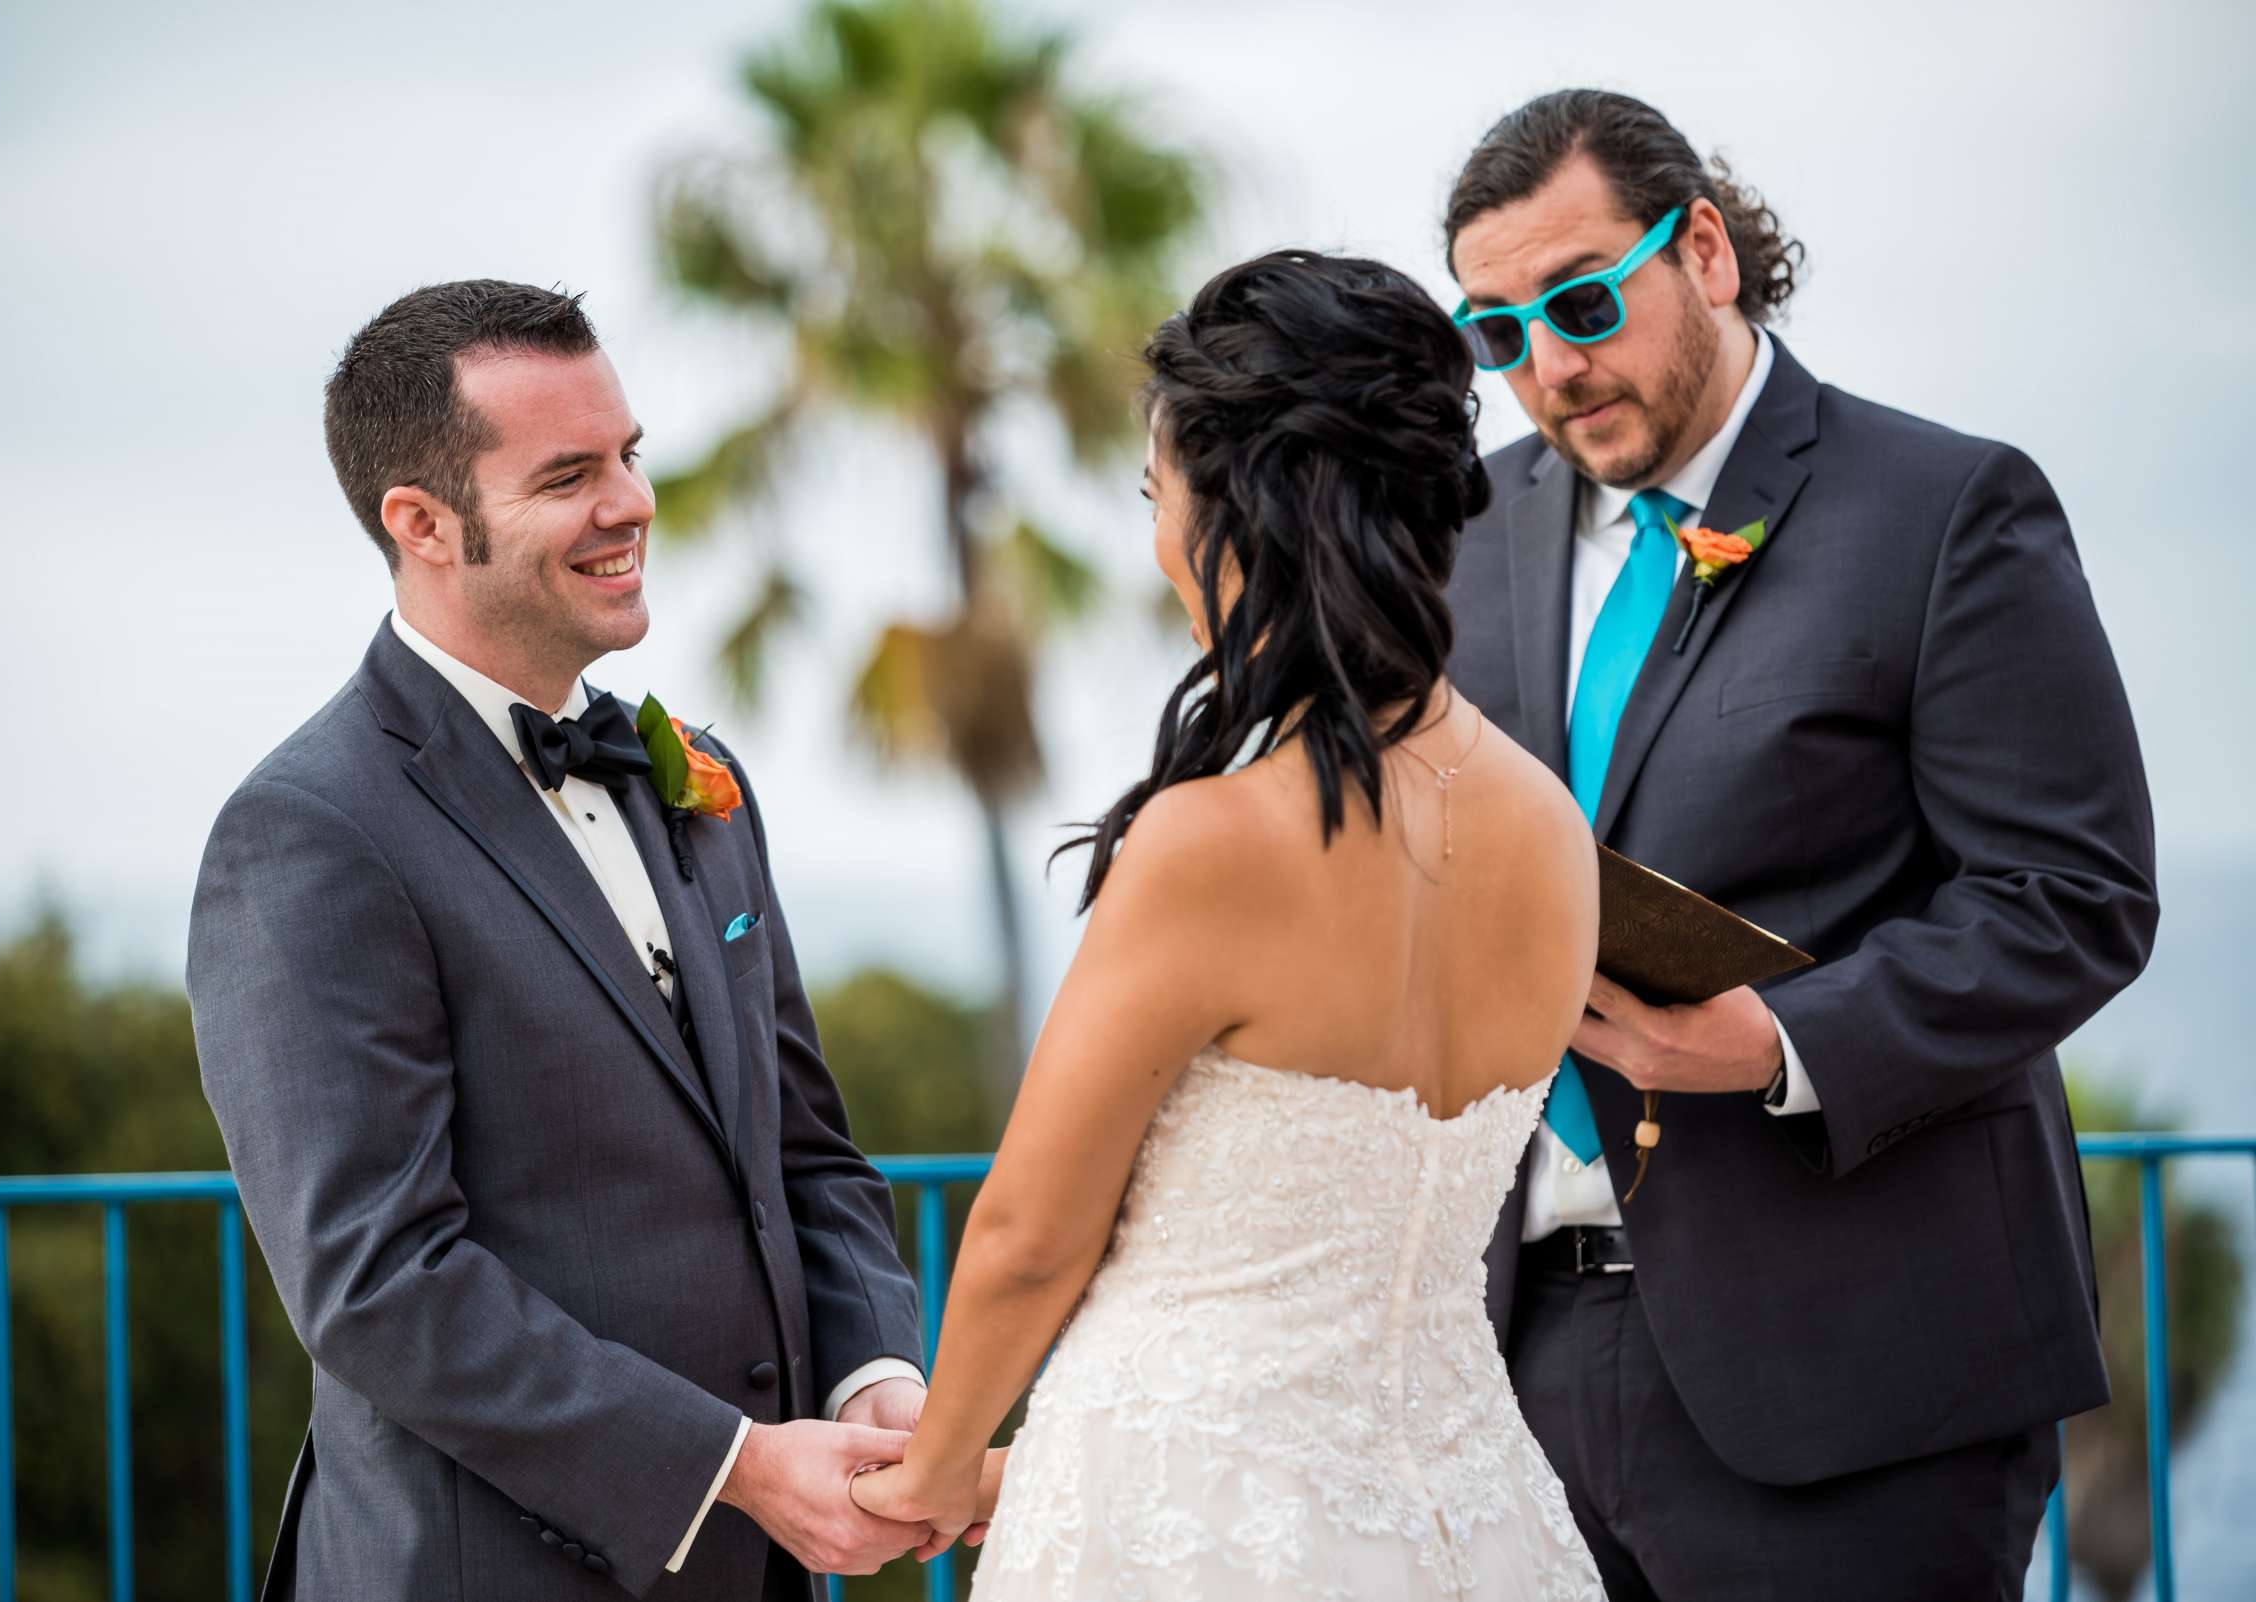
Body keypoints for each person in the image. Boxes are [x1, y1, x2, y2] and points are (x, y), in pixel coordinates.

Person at [1439, 90, 2158, 1600]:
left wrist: (1777, 1038)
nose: (1553, 371)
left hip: (1862, 1377)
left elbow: (2074, 898)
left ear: (1702, 247)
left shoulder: (1945, 508)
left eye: (1581, 302)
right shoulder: (1459, 532)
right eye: (1499, 335)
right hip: (1516, 1360)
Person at [848, 251, 1608, 1600]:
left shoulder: (1213, 841)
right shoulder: (1554, 828)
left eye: (1159, 493)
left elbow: (1030, 1230)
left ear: (1239, 507)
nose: (1158, 540)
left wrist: (935, 1465)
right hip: (1477, 1517)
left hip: (1188, 1529)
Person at [188, 280, 937, 1601]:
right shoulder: (309, 831)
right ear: (422, 523)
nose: (632, 502)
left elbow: (805, 1151)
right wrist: (735, 1464)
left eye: (631, 455)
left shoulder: (694, 780)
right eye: (570, 474)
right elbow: (380, 1283)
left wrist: (876, 1370)